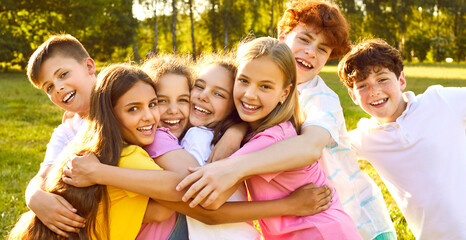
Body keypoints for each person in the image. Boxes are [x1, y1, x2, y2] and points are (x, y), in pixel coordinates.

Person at [176, 1, 395, 239]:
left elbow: (308, 147)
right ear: (283, 36)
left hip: (356, 218)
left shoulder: (321, 98)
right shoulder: (260, 95)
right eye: (304, 39)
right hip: (303, 220)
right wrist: (236, 130)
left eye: (323, 49)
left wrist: (233, 167)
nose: (311, 51)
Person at [9, 64, 172, 239]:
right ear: (111, 115)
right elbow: (178, 189)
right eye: (133, 108)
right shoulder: (129, 156)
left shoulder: (81, 147)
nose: (148, 116)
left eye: (153, 104)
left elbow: (158, 212)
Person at [228, 36, 361, 239]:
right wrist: (234, 130)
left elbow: (210, 206)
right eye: (244, 81)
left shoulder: (271, 139)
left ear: (284, 93)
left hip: (320, 233)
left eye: (265, 86)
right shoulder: (258, 131)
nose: (249, 95)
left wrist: (160, 191)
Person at [338, 38, 466, 240]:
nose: (374, 91)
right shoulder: (365, 137)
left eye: (382, 79)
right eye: (362, 85)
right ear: (353, 96)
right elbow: (320, 147)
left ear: (401, 80)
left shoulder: (440, 101)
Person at [182, 56, 261, 239]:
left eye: (219, 94)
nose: (203, 96)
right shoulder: (223, 137)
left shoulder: (198, 137)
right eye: (199, 86)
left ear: (233, 108)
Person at [23, 34, 94, 237]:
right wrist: (33, 196)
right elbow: (43, 175)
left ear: (89, 67)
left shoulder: (125, 106)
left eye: (63, 75)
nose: (58, 88)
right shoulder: (67, 131)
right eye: (49, 87)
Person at [141, 56, 193, 139]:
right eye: (161, 101)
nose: (173, 110)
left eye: (182, 100)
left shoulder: (191, 134)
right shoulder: (156, 141)